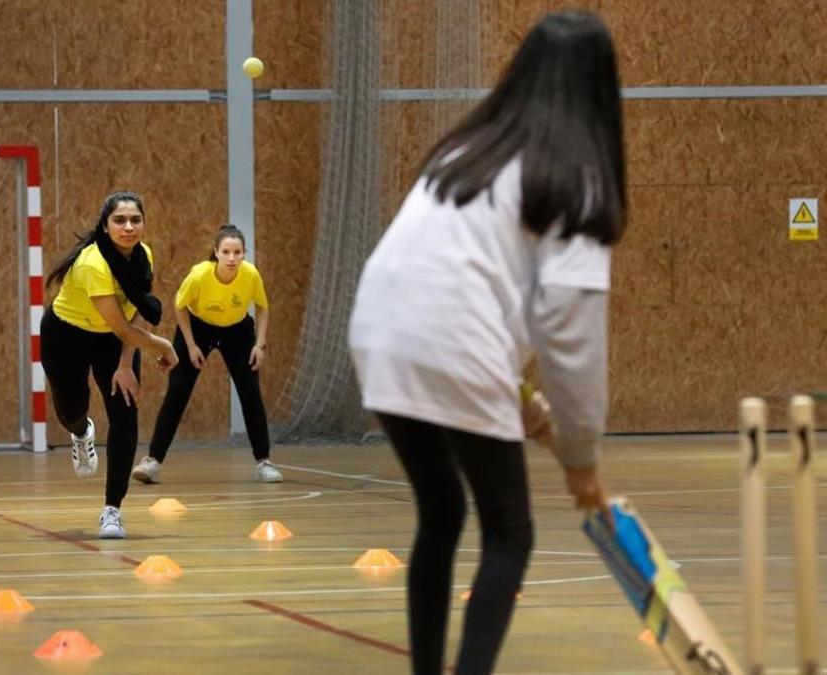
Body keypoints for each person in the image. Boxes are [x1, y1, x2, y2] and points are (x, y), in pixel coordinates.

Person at [347, 10, 622, 674]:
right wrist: (581, 456)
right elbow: (569, 331)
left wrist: (518, 391)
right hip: (450, 342)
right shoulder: (573, 177)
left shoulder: (465, 151)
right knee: (510, 533)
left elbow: (452, 281)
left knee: (441, 510)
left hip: (379, 333)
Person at [42, 190, 178, 539]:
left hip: (112, 341)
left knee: (124, 411)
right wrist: (162, 344)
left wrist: (125, 363)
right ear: (105, 227)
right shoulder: (92, 264)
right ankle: (80, 431)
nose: (128, 227)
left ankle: (112, 510)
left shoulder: (142, 256)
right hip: (66, 335)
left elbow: (128, 315)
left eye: (135, 220)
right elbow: (120, 324)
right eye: (119, 220)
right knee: (70, 409)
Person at [132, 224, 282, 484]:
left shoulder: (250, 275)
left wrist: (260, 344)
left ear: (244, 253)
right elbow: (180, 307)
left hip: (237, 331)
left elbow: (262, 307)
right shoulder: (199, 275)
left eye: (237, 252)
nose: (232, 257)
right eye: (226, 251)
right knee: (178, 390)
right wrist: (190, 345)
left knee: (250, 392)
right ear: (216, 252)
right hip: (197, 328)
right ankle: (153, 462)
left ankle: (264, 461)